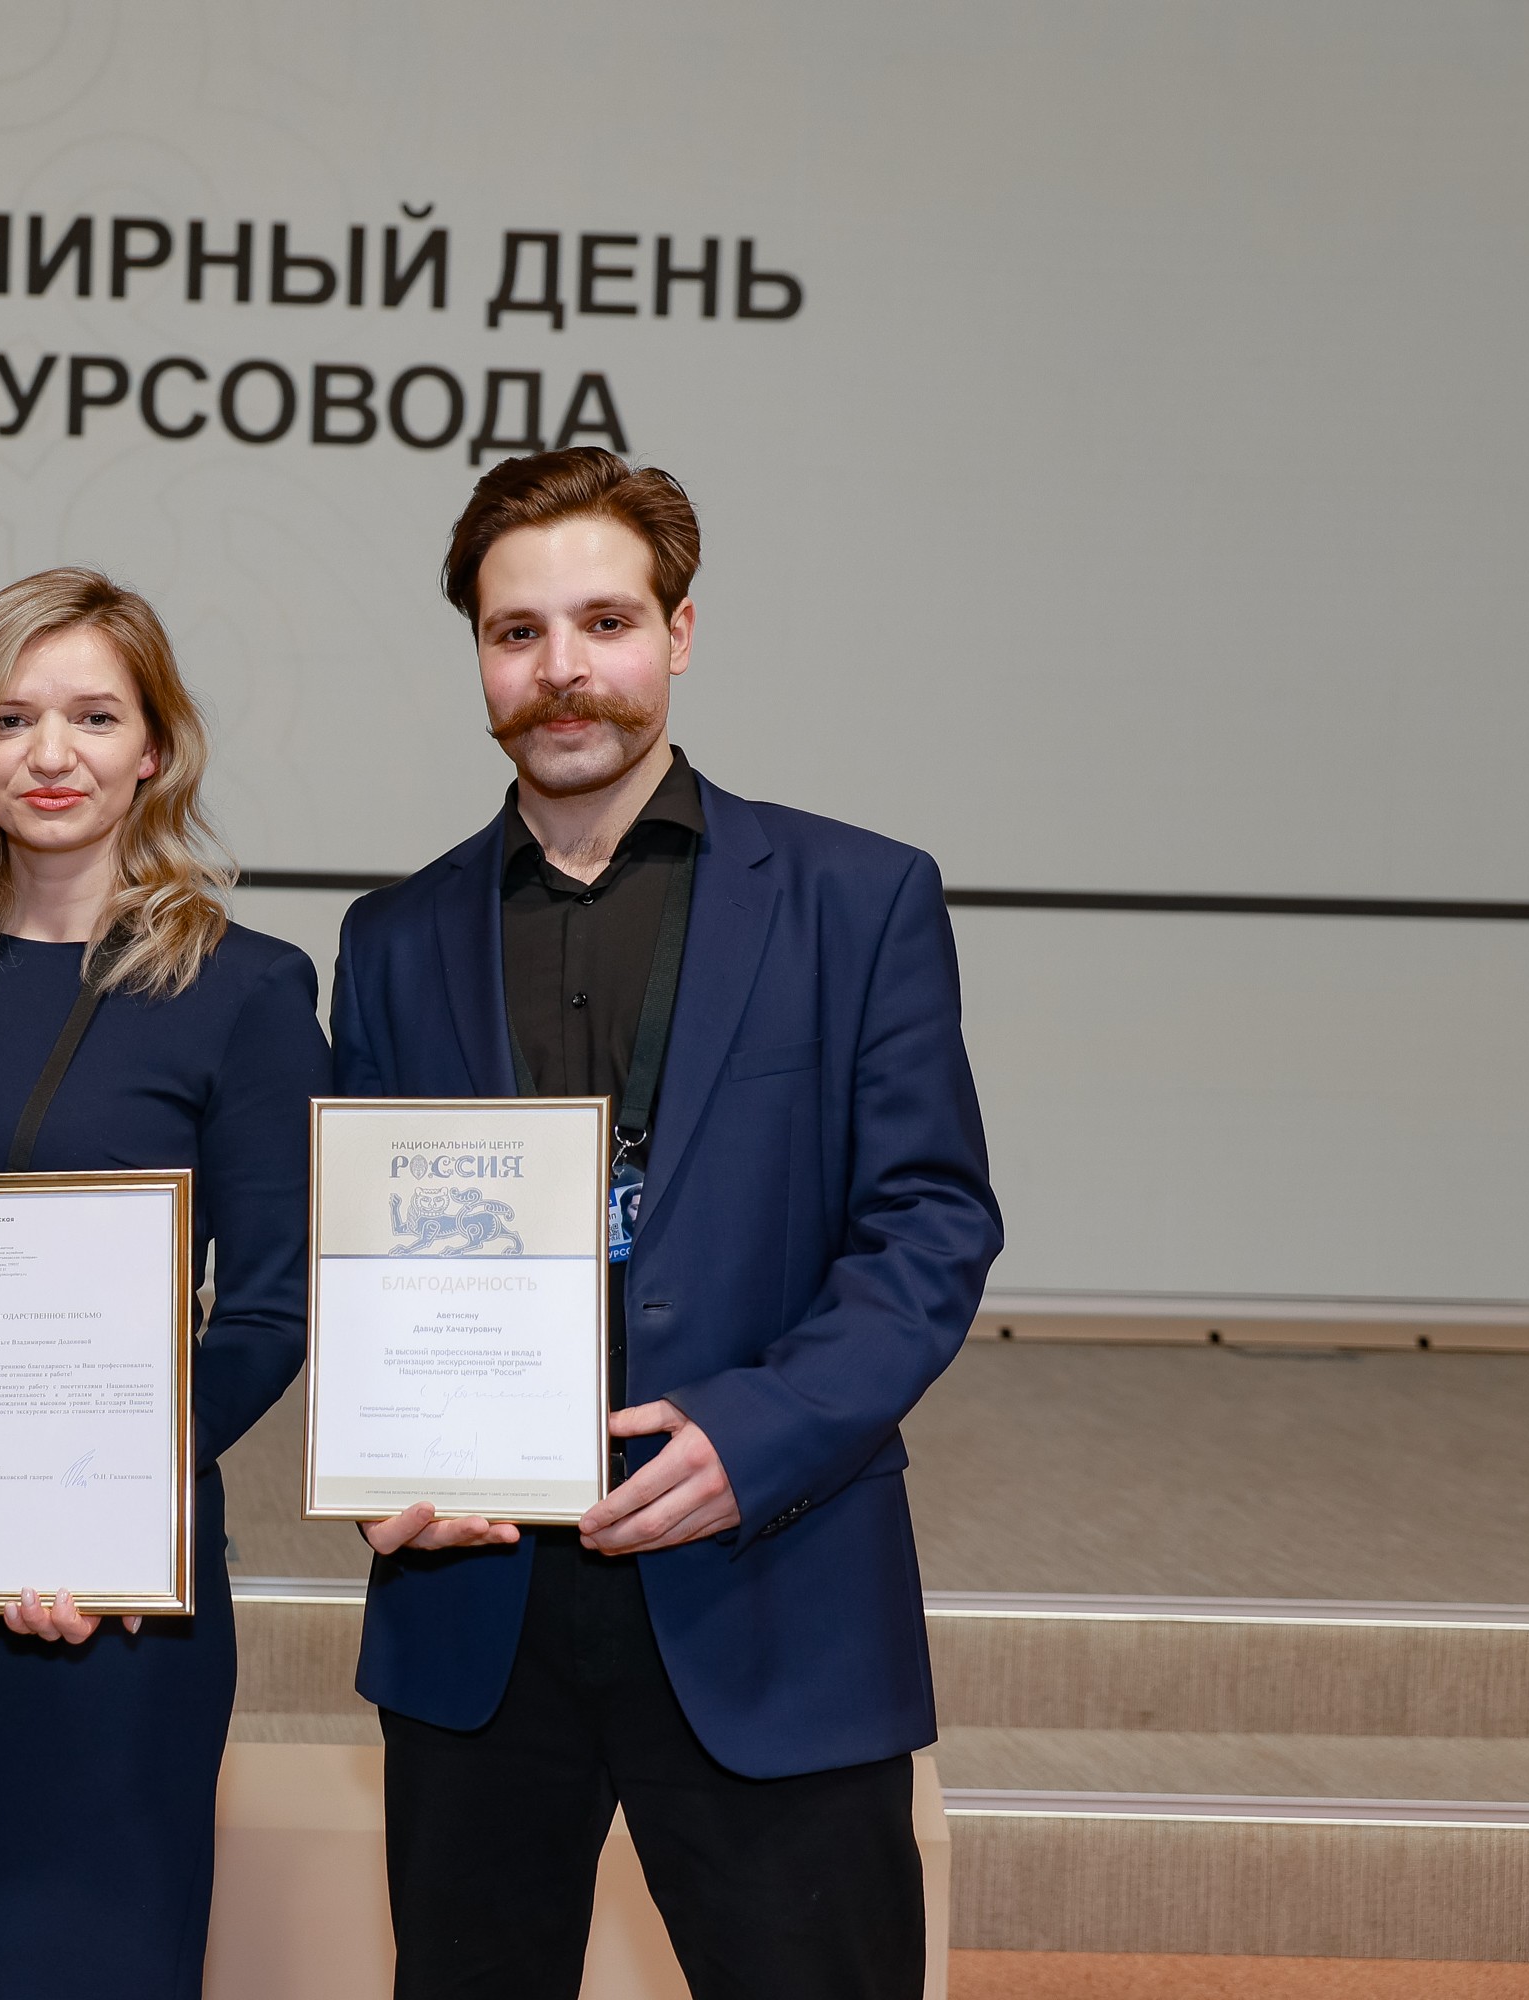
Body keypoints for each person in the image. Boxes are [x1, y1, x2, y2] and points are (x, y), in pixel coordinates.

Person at [331, 448, 1002, 1997]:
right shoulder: (393, 938)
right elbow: (364, 1255)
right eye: (516, 633)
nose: (562, 669)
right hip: (474, 1615)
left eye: (605, 622)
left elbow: (930, 1228)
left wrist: (750, 1435)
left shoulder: (858, 897)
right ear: (481, 658)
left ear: (680, 634)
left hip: (769, 1583)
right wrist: (382, 1454)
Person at [0, 569, 331, 1998]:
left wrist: (108, 1508)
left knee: (91, 1946)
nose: (53, 753)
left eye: (95, 715)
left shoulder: (250, 988)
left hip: (118, 1568)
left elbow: (275, 1310)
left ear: (155, 747)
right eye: (13, 717)